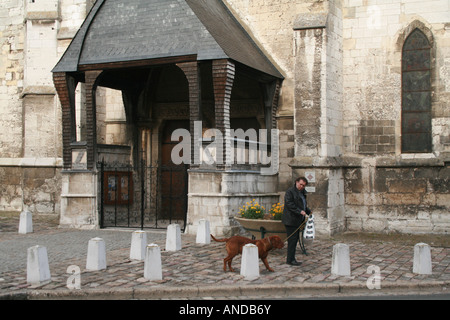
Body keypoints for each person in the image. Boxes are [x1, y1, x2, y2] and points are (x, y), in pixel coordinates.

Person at [282, 177, 312, 266]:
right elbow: (289, 204)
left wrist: (308, 210)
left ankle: (291, 258)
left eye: (303, 185)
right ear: (296, 182)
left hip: (298, 220)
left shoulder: (302, 192)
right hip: (290, 220)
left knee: (295, 240)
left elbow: (302, 205)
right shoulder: (290, 192)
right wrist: (300, 211)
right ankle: (290, 259)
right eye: (300, 184)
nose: (301, 186)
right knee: (292, 240)